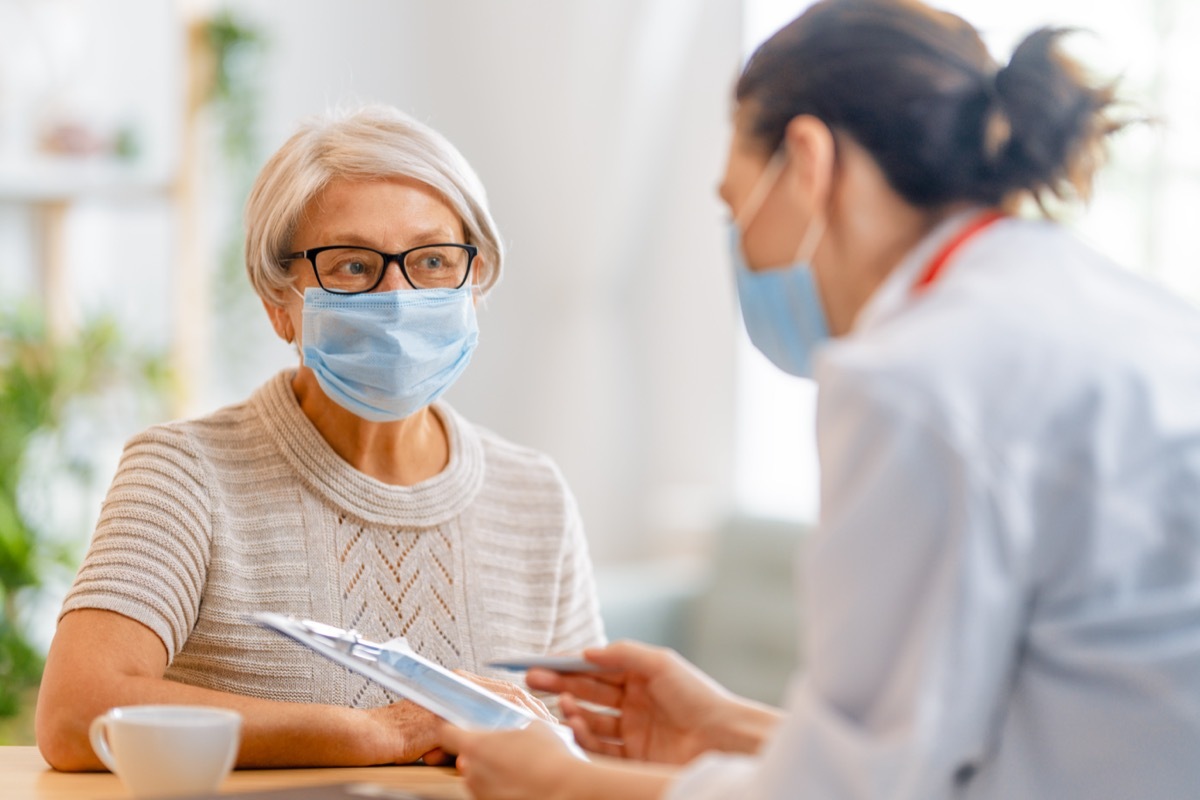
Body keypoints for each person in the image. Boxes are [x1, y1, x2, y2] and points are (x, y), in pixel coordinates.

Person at [439, 1, 1200, 797]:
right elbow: (968, 738)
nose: (745, 253)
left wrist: (559, 783)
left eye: (737, 209)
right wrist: (726, 727)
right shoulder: (1108, 308)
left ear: (807, 159)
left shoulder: (914, 379)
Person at [35, 104, 605, 770]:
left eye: (431, 260)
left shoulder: (534, 493)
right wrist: (377, 732)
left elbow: (584, 750)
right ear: (279, 302)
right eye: (353, 267)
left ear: (474, 281)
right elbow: (78, 713)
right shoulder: (185, 474)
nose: (397, 297)